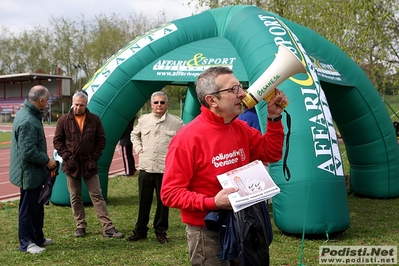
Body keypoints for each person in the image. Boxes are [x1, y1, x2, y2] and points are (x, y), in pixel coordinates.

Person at [161, 66, 287, 265]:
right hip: (207, 232)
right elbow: (170, 193)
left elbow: (270, 153)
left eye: (240, 87)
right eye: (233, 89)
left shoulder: (239, 127)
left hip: (243, 222)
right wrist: (213, 202)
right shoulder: (187, 139)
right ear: (212, 100)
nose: (243, 94)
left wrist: (274, 118)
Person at [53, 90, 124, 239]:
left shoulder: (94, 120)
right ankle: (80, 225)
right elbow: (57, 141)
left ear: (86, 105)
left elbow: (101, 140)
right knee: (75, 196)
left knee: (97, 195)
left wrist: (94, 157)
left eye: (82, 105)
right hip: (71, 165)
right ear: (73, 103)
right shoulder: (63, 120)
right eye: (76, 104)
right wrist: (67, 157)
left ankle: (108, 227)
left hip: (89, 164)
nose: (78, 108)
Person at [126, 91, 184, 244]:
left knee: (163, 202)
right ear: (151, 104)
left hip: (165, 170)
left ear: (167, 104)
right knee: (143, 201)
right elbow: (134, 135)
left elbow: (183, 141)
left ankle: (161, 231)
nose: (159, 105)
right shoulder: (144, 120)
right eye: (156, 102)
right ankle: (140, 231)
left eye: (162, 102)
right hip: (146, 167)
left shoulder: (176, 123)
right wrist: (139, 148)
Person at [10, 85, 57, 254]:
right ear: (41, 100)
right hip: (28, 172)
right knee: (28, 209)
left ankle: (38, 237)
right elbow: (28, 151)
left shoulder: (29, 113)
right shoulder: (28, 120)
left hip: (33, 172)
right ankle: (27, 243)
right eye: (48, 98)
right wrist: (47, 161)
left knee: (36, 206)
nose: (49, 101)